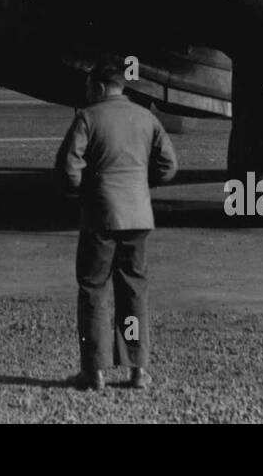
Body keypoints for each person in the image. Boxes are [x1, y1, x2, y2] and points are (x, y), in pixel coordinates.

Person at [55, 59, 178, 391]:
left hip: (101, 215)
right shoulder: (146, 117)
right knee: (133, 291)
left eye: (87, 88)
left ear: (97, 87)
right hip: (138, 216)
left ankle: (93, 371)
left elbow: (68, 168)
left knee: (94, 290)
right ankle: (137, 369)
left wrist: (84, 190)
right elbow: (169, 165)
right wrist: (140, 185)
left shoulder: (88, 117)